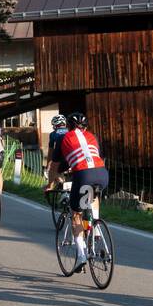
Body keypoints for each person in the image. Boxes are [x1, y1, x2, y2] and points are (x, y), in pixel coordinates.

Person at [51, 112, 108, 275]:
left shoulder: (63, 138)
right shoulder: (92, 136)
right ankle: (96, 226)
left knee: (76, 213)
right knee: (93, 195)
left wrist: (49, 184)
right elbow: (95, 155)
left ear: (68, 126)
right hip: (102, 173)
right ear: (86, 127)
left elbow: (55, 166)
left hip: (83, 175)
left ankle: (81, 256)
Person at [43, 114, 68, 191]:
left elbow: (51, 151)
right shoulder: (70, 131)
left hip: (60, 158)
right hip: (72, 157)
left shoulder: (53, 134)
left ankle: (53, 185)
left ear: (55, 125)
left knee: (53, 171)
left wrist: (48, 164)